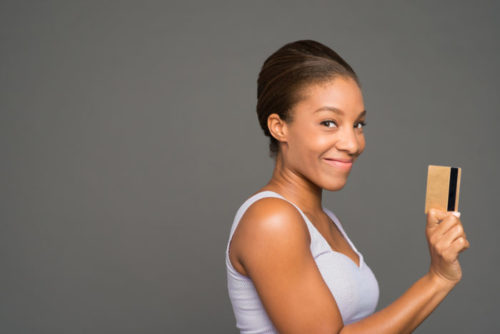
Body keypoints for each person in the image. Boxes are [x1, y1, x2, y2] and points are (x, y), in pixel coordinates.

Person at [225, 40, 470, 334]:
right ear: (280, 127)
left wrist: (441, 277)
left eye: (358, 124)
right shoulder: (272, 219)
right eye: (329, 122)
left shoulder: (322, 219)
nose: (353, 144)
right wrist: (437, 280)